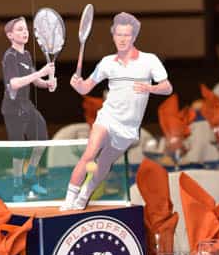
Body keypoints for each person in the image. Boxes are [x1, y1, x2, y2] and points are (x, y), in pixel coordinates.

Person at [61, 12, 172, 211]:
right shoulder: (106, 62)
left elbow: (167, 87)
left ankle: (85, 194)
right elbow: (85, 88)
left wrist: (150, 88)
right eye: (118, 34)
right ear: (113, 36)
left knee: (104, 163)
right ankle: (69, 199)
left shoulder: (150, 61)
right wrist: (76, 84)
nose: (122, 39)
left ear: (134, 36)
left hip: (128, 128)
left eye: (127, 35)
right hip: (107, 118)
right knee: (90, 153)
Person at [1, 17, 57, 196]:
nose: (24, 32)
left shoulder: (26, 55)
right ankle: (18, 184)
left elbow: (34, 78)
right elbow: (15, 83)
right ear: (10, 35)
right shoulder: (10, 56)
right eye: (19, 30)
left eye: (25, 29)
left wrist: (46, 83)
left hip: (27, 106)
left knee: (42, 140)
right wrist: (41, 73)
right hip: (12, 108)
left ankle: (30, 176)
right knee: (19, 149)